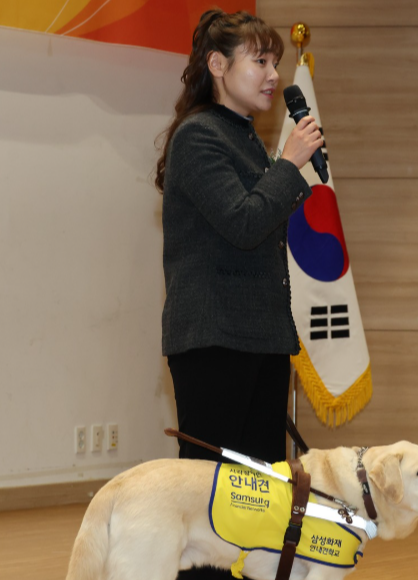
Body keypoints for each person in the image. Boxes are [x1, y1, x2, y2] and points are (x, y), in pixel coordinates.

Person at [154, 10, 322, 577]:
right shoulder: (199, 136)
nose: (273, 74)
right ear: (218, 66)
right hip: (214, 341)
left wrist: (284, 167)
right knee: (210, 501)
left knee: (259, 501)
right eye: (261, 61)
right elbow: (245, 223)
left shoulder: (245, 136)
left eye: (275, 62)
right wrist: (291, 164)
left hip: (260, 340)